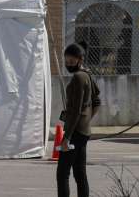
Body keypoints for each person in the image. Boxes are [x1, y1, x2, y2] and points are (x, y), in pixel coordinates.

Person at [57, 44, 99, 197]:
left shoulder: (78, 78)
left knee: (62, 174)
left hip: (74, 132)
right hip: (83, 131)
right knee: (80, 173)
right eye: (66, 61)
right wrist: (86, 120)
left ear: (80, 59)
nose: (68, 64)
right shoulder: (87, 74)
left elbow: (75, 110)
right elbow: (97, 102)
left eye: (71, 61)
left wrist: (66, 137)